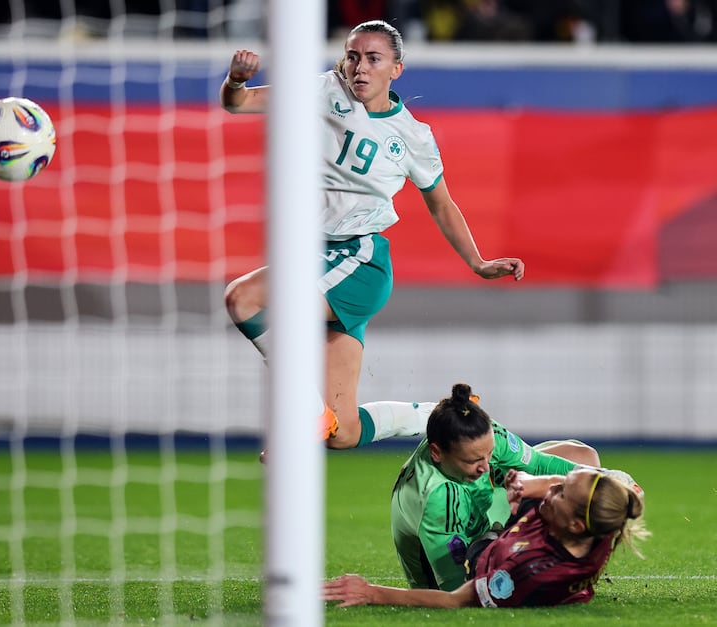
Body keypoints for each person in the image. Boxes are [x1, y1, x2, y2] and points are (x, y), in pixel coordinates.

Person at [219, 19, 525, 452]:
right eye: (352, 56)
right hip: (317, 260)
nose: (359, 67)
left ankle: (303, 412)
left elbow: (442, 203)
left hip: (358, 260)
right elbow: (239, 103)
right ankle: (438, 415)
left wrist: (478, 262)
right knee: (342, 433)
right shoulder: (323, 90)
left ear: (396, 69)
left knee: (244, 298)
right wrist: (235, 80)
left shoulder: (413, 137)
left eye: (373, 58)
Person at [325, 465, 648, 608]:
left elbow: (455, 600)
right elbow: (567, 484)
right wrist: (529, 482)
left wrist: (371, 593)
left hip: (484, 552)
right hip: (534, 526)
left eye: (561, 493)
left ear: (576, 526)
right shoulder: (609, 514)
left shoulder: (524, 570)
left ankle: (498, 510)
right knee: (587, 458)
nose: (554, 488)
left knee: (467, 518)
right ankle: (517, 488)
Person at [390, 383, 600, 591]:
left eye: (489, 454)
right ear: (436, 453)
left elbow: (539, 464)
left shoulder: (481, 433)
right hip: (461, 564)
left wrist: (611, 480)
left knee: (585, 460)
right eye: (473, 460)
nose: (485, 466)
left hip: (488, 523)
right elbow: (454, 589)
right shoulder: (438, 496)